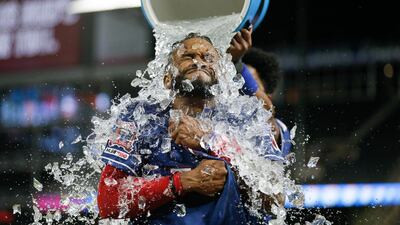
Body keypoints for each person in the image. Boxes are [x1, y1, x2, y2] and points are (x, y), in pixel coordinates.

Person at [97, 33, 284, 224]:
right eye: (188, 57)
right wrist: (181, 183)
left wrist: (210, 140)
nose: (198, 62)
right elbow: (108, 201)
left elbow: (276, 199)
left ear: (220, 75)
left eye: (208, 58)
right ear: (167, 79)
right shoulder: (140, 115)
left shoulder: (247, 115)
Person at [229, 27, 292, 157]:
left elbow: (266, 110)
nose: (241, 89)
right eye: (235, 83)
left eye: (249, 82)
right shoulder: (221, 122)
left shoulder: (275, 129)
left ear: (268, 94)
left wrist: (237, 64)